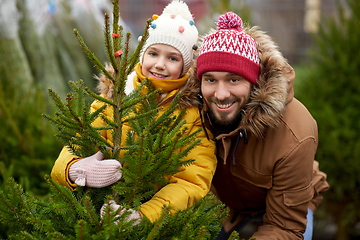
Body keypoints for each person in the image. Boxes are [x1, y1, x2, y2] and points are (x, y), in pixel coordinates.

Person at [51, 0, 217, 223]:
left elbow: (191, 182)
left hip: (156, 225)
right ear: (142, 54)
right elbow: (79, 140)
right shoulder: (116, 97)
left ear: (185, 66)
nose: (159, 64)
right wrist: (74, 170)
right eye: (153, 53)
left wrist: (143, 215)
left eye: (172, 58)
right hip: (97, 215)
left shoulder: (193, 114)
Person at [196, 12, 329, 239]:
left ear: (254, 81)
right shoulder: (193, 112)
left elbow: (286, 227)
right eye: (210, 79)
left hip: (287, 207)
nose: (220, 94)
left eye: (234, 79)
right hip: (226, 204)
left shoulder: (295, 133)